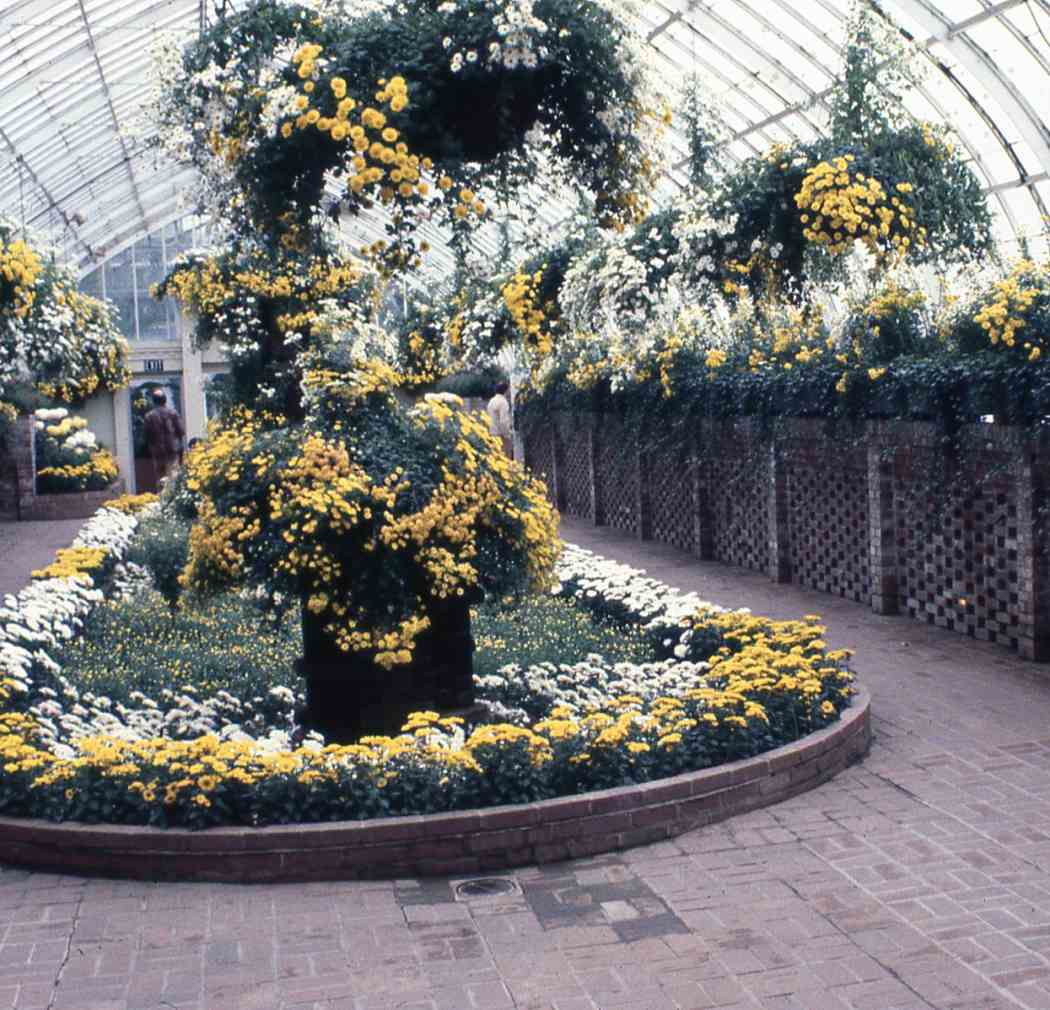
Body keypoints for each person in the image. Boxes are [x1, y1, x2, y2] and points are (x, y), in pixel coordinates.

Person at [143, 388, 185, 483]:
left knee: (161, 481)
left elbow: (146, 437)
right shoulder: (173, 413)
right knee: (174, 480)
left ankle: (162, 497)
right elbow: (181, 432)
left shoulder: (149, 416)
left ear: (154, 401)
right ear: (165, 400)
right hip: (173, 452)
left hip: (158, 454)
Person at [486, 379, 513, 458]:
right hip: (501, 436)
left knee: (495, 459)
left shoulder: (491, 401)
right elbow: (503, 421)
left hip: (492, 434)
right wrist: (507, 434)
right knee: (505, 459)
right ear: (506, 390)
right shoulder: (503, 402)